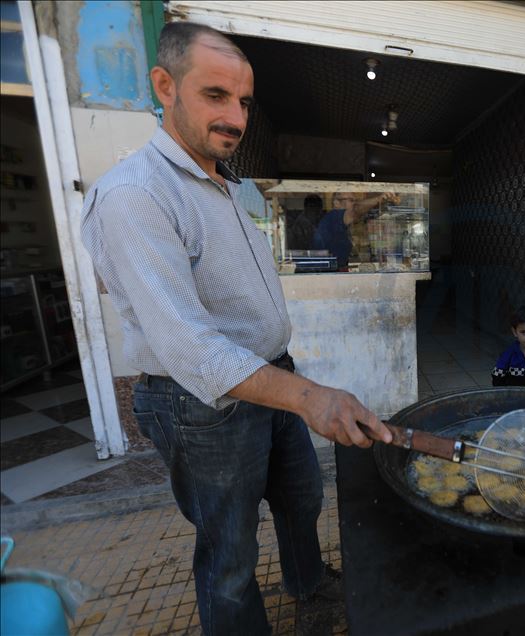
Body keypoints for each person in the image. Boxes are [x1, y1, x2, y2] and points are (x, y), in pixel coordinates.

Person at [80, 22, 392, 635]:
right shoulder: (135, 195)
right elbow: (190, 348)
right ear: (165, 86)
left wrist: (293, 385)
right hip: (200, 406)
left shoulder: (225, 184)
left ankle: (307, 584)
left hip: (272, 378)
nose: (235, 117)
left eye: (244, 101)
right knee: (229, 553)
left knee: (302, 499)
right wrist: (310, 397)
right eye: (216, 95)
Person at [312, 190, 397, 270]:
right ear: (336, 203)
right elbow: (355, 210)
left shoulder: (344, 224)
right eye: (351, 200)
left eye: (354, 200)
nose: (354, 204)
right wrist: (380, 198)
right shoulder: (333, 217)